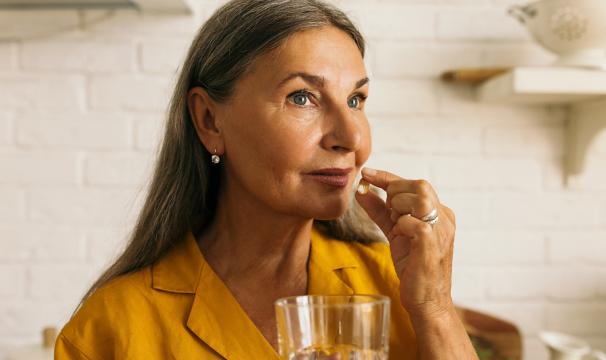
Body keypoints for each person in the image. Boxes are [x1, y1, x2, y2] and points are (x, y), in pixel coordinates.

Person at [54, 0, 478, 359]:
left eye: (355, 99)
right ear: (208, 119)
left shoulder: (398, 286)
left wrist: (435, 307)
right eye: (302, 97)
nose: (351, 137)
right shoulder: (109, 329)